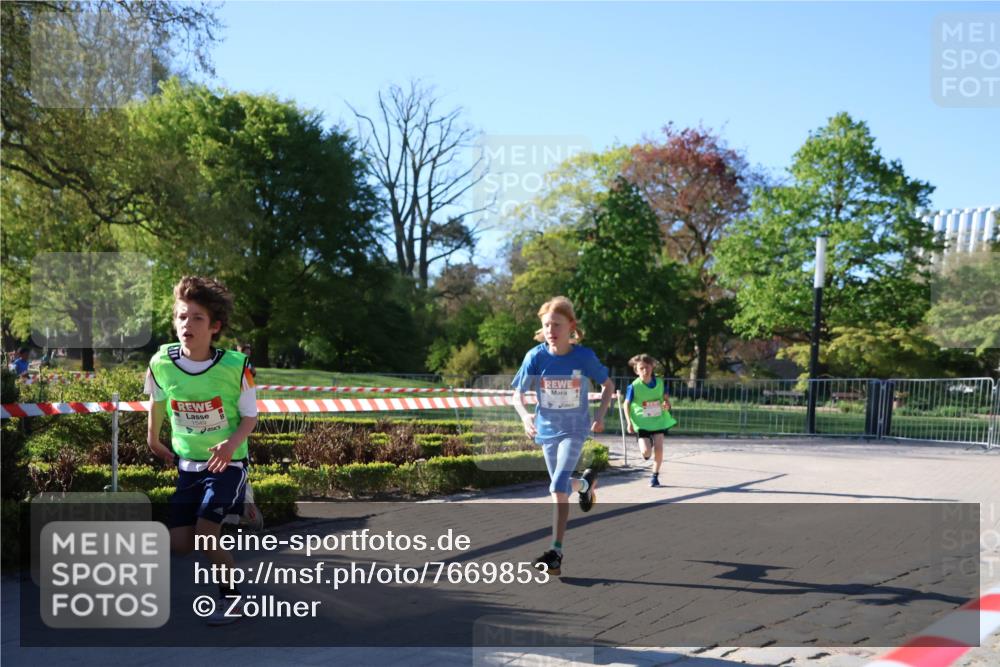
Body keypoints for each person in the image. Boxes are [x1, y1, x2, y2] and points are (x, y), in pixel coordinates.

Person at [145, 276, 258, 625]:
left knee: (208, 535)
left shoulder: (237, 367)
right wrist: (153, 437)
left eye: (196, 318)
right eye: (181, 316)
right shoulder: (161, 363)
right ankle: (243, 504)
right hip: (189, 465)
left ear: (214, 326)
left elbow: (250, 417)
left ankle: (232, 598)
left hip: (228, 465)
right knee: (180, 543)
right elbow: (157, 401)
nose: (186, 324)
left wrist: (230, 445)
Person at [511, 296, 616, 576]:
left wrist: (600, 415)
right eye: (546, 325)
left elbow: (608, 386)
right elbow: (517, 395)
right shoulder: (535, 356)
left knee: (557, 487)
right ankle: (584, 485)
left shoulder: (583, 356)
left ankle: (555, 552)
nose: (550, 330)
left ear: (571, 326)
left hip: (575, 429)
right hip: (546, 430)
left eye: (556, 324)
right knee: (561, 488)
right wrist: (524, 416)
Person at [623, 354, 677, 488]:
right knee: (646, 453)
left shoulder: (660, 383)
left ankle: (655, 476)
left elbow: (666, 400)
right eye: (641, 368)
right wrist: (629, 422)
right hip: (641, 422)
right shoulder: (634, 386)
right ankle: (646, 446)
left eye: (647, 367)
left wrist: (667, 405)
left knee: (659, 449)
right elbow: (626, 404)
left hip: (658, 419)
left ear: (652, 367)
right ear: (636, 370)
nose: (645, 371)